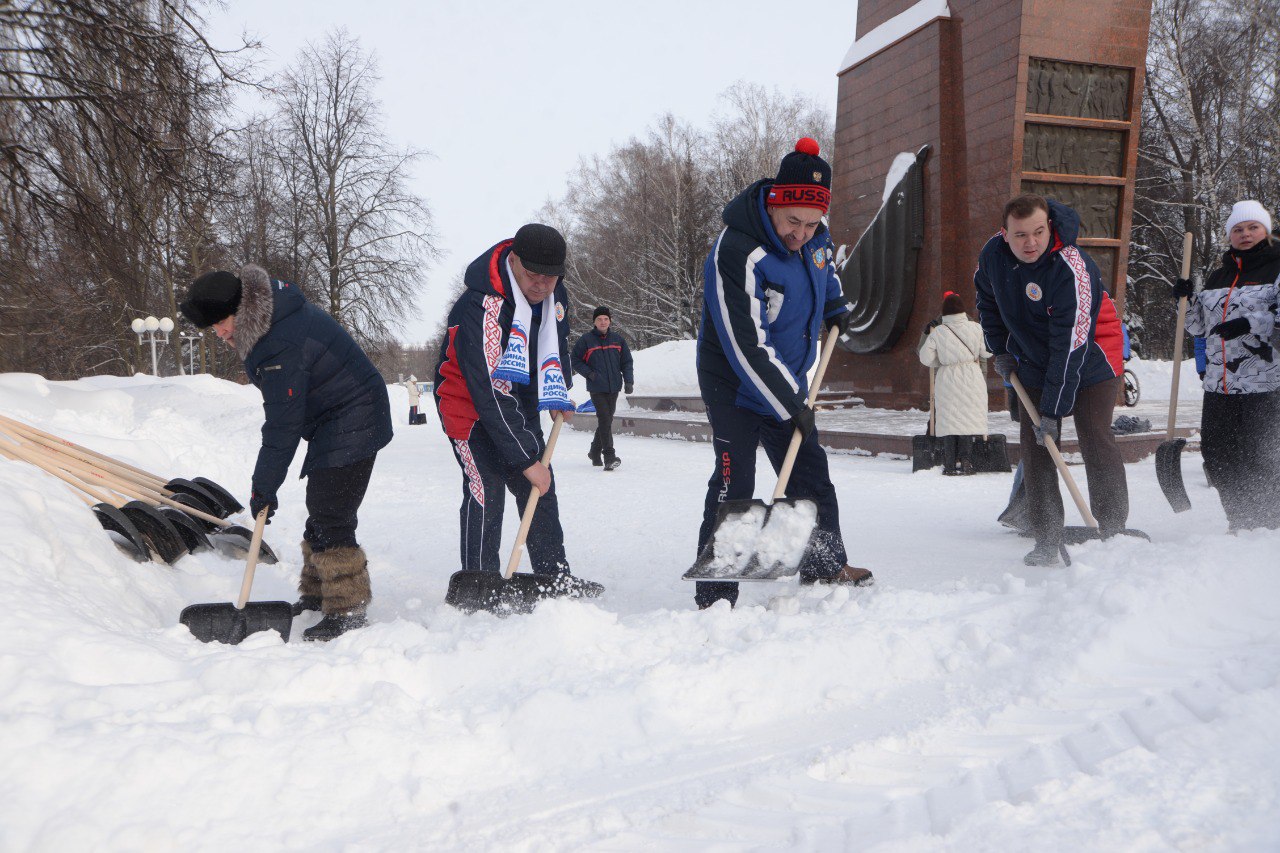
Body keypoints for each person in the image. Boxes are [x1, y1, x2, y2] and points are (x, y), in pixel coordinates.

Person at [694, 137, 872, 610]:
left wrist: (834, 305)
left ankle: (824, 564)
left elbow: (823, 271)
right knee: (736, 483)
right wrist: (790, 404)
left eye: (812, 223)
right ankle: (716, 592)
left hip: (785, 378)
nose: (801, 234)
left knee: (811, 473)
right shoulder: (736, 251)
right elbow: (744, 343)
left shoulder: (815, 237)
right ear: (774, 202)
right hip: (734, 384)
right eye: (793, 221)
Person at [179, 265, 391, 641]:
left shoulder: (277, 341)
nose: (220, 333)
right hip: (334, 416)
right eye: (214, 328)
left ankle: (348, 607)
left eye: (221, 323)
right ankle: (318, 593)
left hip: (357, 413)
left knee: (331, 509)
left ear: (240, 308)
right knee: (322, 505)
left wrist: (264, 486)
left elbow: (282, 425)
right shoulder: (267, 320)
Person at [433, 223, 603, 597]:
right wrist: (527, 459)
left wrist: (557, 392)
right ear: (513, 261)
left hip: (518, 402)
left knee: (539, 488)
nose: (541, 285)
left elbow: (556, 344)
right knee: (487, 488)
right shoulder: (482, 307)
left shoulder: (555, 295)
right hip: (468, 406)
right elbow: (489, 391)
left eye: (550, 277)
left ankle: (554, 577)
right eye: (533, 275)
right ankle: (478, 585)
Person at [975, 194, 1129, 566]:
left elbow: (1070, 345)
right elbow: (988, 303)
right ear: (1005, 234)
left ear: (1049, 228)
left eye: (1038, 232)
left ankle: (1112, 528)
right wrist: (1001, 349)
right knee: (1038, 444)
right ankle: (1046, 534)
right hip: (1032, 357)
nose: (1030, 242)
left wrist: (1053, 410)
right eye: (1020, 235)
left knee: (1094, 435)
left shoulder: (1071, 267)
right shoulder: (993, 255)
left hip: (1091, 358)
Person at [1175, 200, 1280, 530]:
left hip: (1265, 381)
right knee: (1218, 454)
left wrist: (1250, 323)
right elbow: (1198, 327)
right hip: (1220, 383)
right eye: (1238, 229)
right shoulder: (1219, 276)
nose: (1245, 234)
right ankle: (1239, 516)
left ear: (1266, 230)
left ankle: (1267, 522)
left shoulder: (1276, 268)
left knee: (1261, 456)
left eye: (1253, 227)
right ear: (1229, 235)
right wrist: (1186, 299)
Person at [917, 290, 992, 475]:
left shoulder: (938, 331)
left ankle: (949, 464)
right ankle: (966, 462)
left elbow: (925, 358)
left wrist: (942, 361)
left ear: (944, 311)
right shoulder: (976, 328)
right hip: (971, 377)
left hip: (947, 378)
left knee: (949, 421)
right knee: (966, 419)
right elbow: (987, 352)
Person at [570, 305, 634, 471]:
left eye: (606, 319)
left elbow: (627, 361)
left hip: (614, 387)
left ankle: (594, 451)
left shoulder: (618, 340)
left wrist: (629, 381)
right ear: (594, 322)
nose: (603, 322)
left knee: (607, 420)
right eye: (599, 319)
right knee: (605, 419)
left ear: (610, 321)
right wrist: (590, 374)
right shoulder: (586, 340)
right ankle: (609, 457)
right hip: (597, 387)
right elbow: (575, 359)